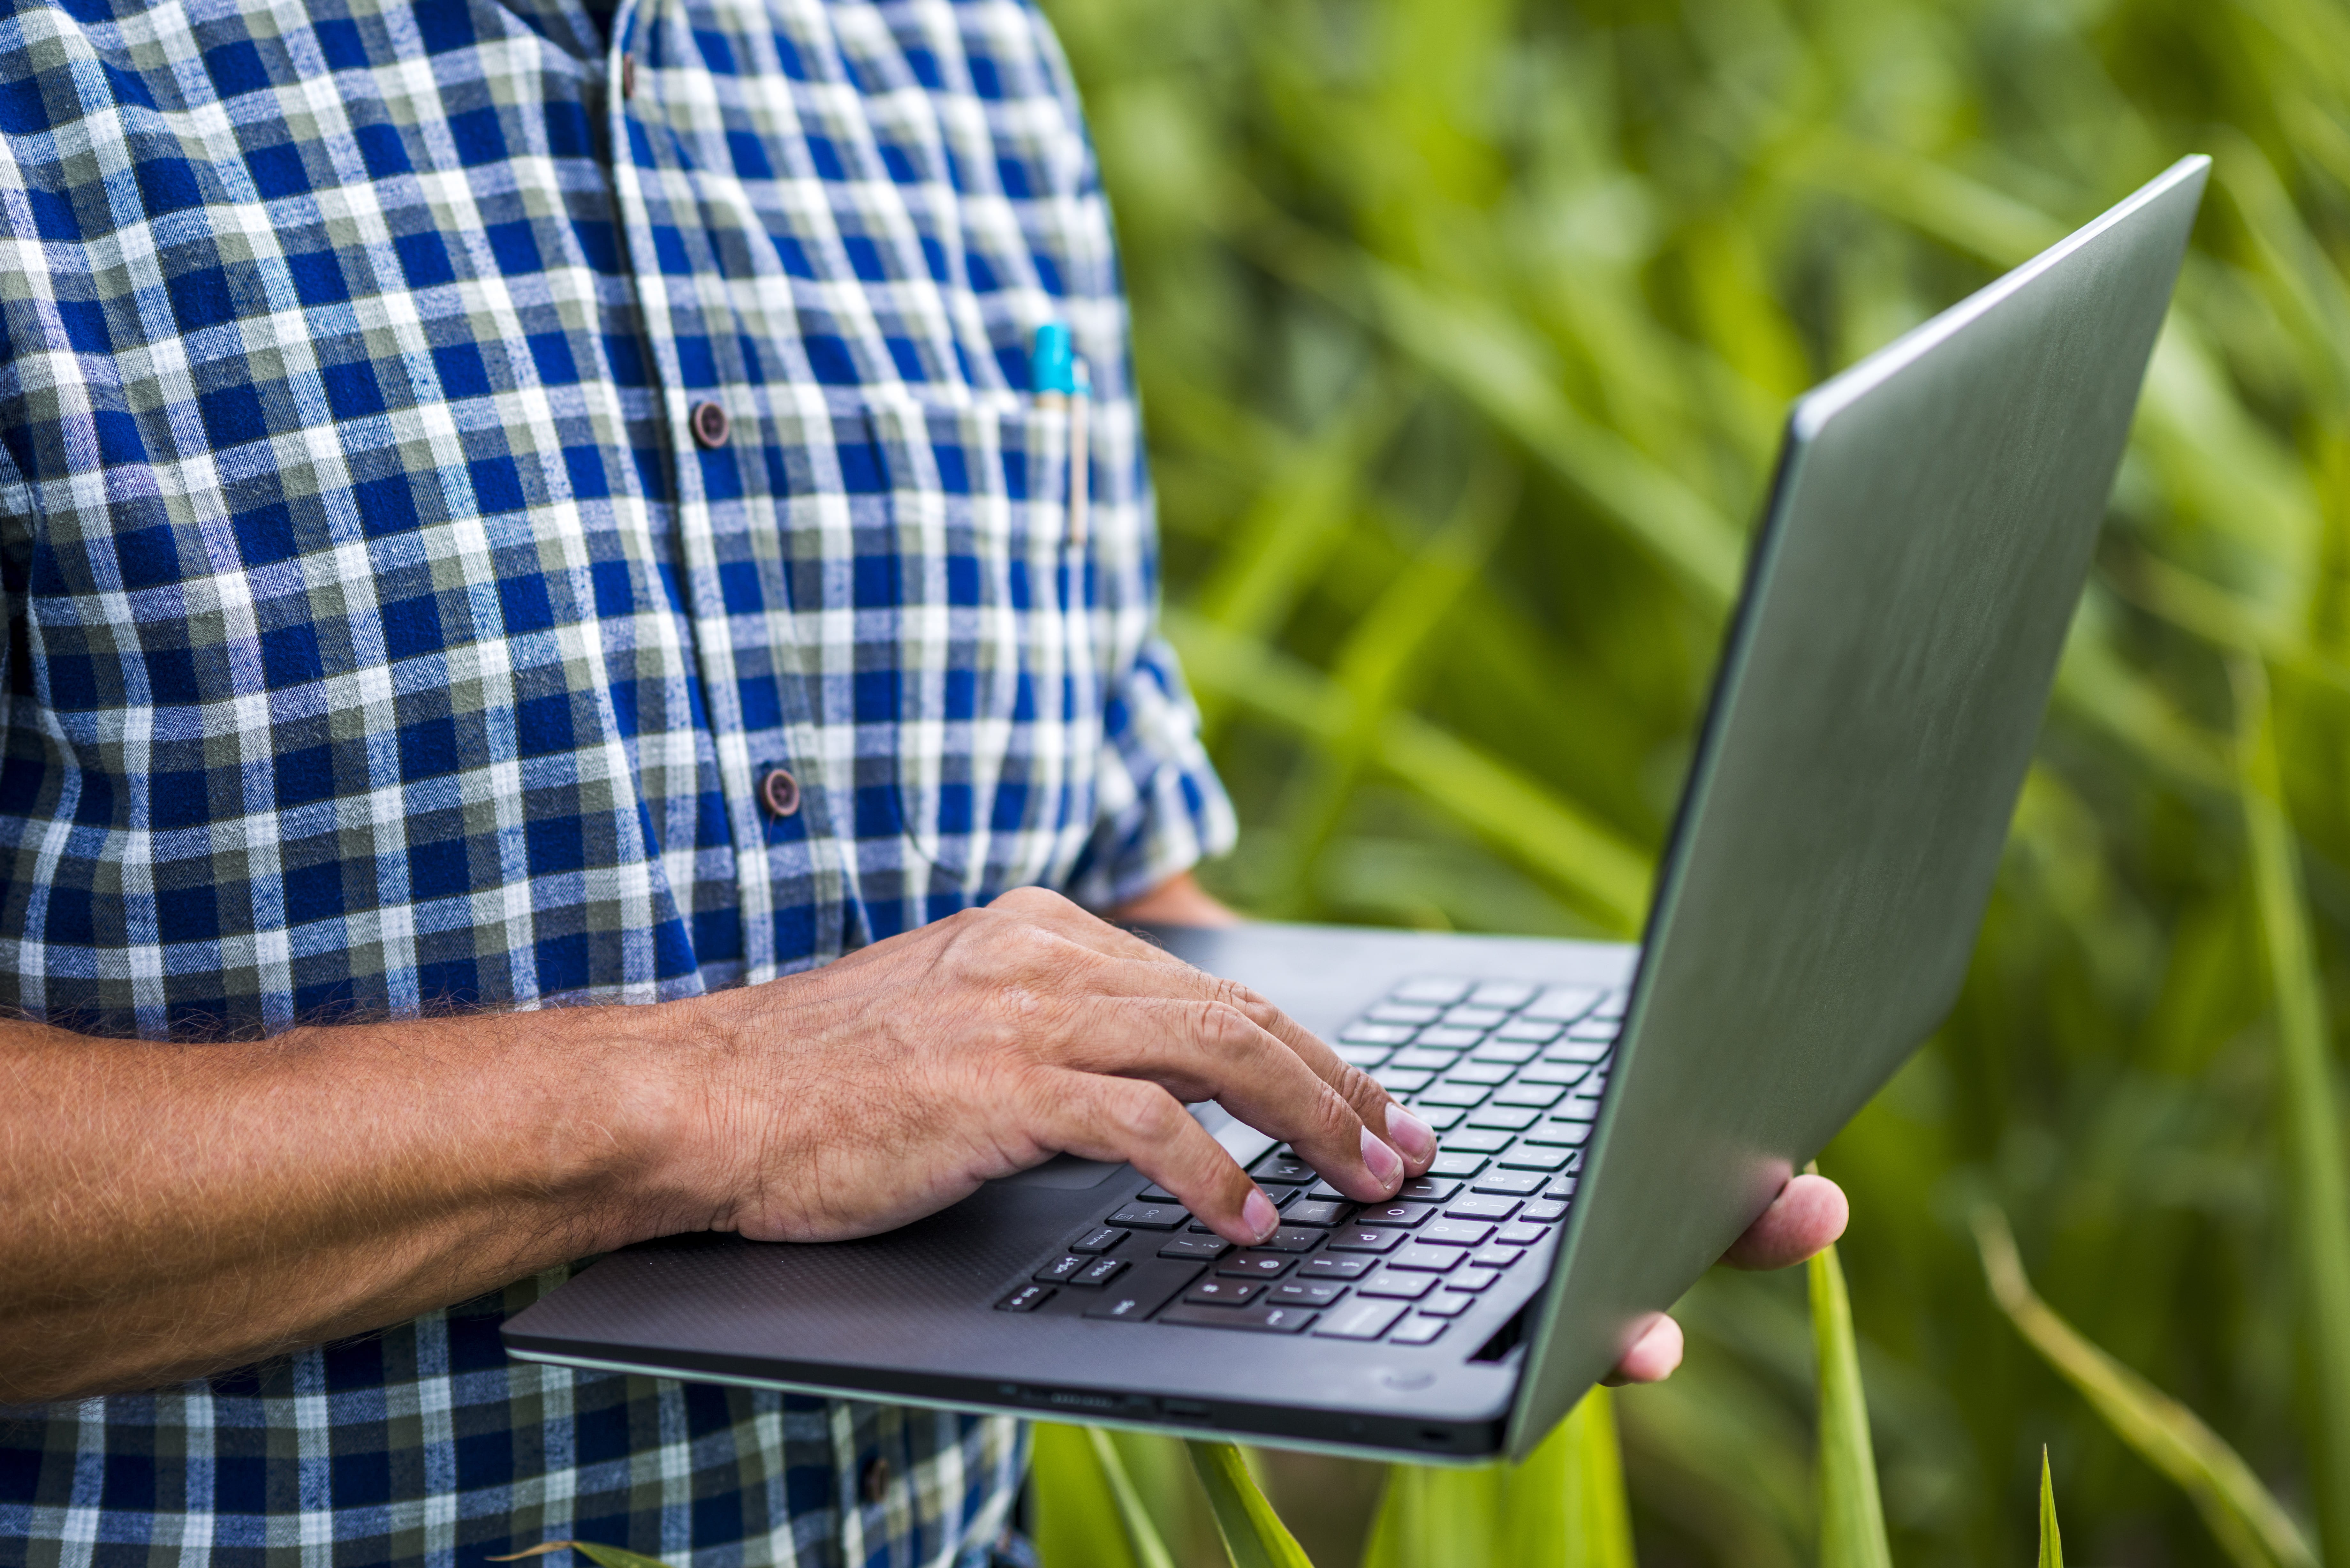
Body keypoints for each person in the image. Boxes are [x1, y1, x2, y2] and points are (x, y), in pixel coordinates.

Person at [0, 0, 1847, 1562]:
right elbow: (818, 1083)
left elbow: (1109, 893)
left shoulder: (962, 55)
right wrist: (717, 1103)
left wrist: (1437, 1169)